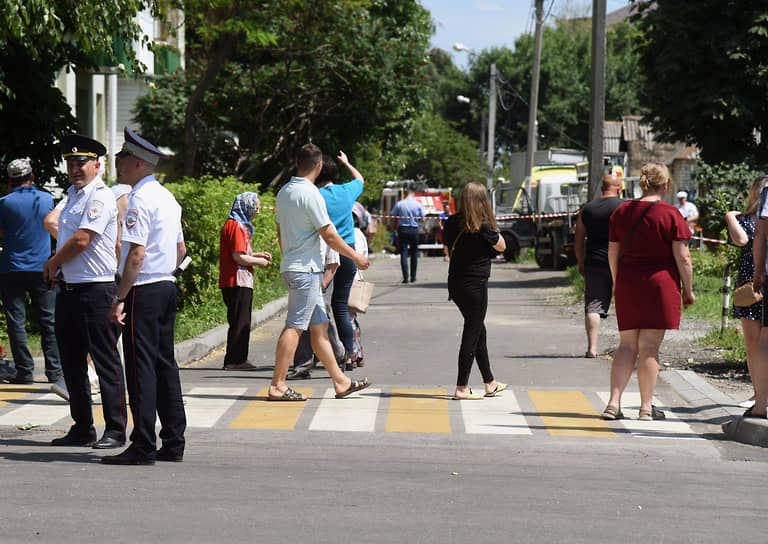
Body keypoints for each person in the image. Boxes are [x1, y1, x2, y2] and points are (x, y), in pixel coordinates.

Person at [104, 127, 186, 465]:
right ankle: (173, 441)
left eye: (123, 158)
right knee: (165, 364)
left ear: (138, 163)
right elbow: (180, 249)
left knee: (141, 369)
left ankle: (142, 445)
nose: (118, 163)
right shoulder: (167, 198)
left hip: (144, 288)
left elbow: (136, 254)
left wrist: (119, 297)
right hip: (166, 284)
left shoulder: (139, 198)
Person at [43, 135, 127, 448]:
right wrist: (58, 268)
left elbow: (82, 240)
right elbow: (54, 224)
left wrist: (53, 261)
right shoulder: (73, 196)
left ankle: (116, 429)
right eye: (70, 162)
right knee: (72, 362)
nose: (75, 168)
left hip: (97, 290)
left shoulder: (100, 197)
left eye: (81, 162)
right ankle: (82, 426)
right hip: (69, 290)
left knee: (105, 361)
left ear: (97, 165)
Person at [270, 143, 371, 401]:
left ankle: (341, 381)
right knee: (294, 327)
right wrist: (356, 256)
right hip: (306, 270)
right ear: (318, 166)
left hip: (294, 266)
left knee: (320, 328)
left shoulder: (284, 192)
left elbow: (281, 233)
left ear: (296, 162)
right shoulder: (311, 194)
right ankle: (277, 385)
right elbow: (329, 234)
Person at [603, 163, 694, 421]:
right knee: (650, 347)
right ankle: (645, 408)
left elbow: (612, 252)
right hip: (660, 284)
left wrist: (615, 282)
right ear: (666, 186)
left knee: (626, 346)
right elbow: (683, 257)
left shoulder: (622, 211)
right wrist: (688, 289)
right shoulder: (671, 213)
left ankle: (613, 403)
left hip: (628, 281)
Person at [0, 158, 65, 396]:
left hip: (11, 268)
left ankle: (25, 372)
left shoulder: (4, 203)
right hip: (42, 267)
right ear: (32, 177)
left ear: (10, 180)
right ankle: (55, 373)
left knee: (16, 321)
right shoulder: (46, 199)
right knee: (49, 321)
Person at [442, 182, 507, 400]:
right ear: (482, 201)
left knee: (478, 329)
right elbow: (503, 246)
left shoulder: (451, 222)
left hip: (456, 283)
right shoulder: (484, 226)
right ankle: (462, 387)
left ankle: (490, 382)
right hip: (476, 284)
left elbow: (448, 244)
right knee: (472, 331)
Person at [316, 152, 363, 370]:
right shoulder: (346, 191)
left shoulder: (314, 196)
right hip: (347, 252)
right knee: (341, 307)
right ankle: (350, 354)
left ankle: (323, 352)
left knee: (317, 305)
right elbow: (360, 180)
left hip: (323, 252)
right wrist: (347, 163)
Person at [725, 176, 768, 409]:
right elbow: (741, 240)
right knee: (752, 342)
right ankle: (758, 393)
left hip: (763, 279)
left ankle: (762, 396)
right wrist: (730, 216)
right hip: (749, 284)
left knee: (763, 340)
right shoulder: (747, 220)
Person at [219, 192, 272, 370]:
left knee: (240, 320)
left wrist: (256, 255)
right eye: (255, 207)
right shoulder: (236, 226)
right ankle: (236, 360)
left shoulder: (237, 225)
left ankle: (237, 358)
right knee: (240, 321)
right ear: (246, 207)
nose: (257, 211)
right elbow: (238, 257)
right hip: (237, 280)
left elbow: (241, 253)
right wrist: (259, 261)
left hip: (237, 280)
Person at [574, 174, 624, 358]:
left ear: (602, 187)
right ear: (618, 187)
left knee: (593, 305)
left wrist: (580, 261)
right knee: (624, 304)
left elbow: (578, 239)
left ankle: (592, 348)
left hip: (594, 261)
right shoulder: (624, 207)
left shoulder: (587, 209)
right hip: (620, 263)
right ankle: (626, 348)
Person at [287, 240, 345, 380]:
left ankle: (339, 354)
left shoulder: (325, 227)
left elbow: (333, 263)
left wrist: (322, 286)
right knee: (303, 322)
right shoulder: (302, 229)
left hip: (322, 281)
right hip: (305, 279)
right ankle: (302, 366)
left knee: (322, 321)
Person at [349, 202, 369, 368]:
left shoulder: (353, 234)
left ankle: (352, 355)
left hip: (350, 280)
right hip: (354, 279)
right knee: (351, 319)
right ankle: (358, 353)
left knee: (347, 319)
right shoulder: (359, 234)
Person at [390, 186, 424, 283]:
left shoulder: (400, 204)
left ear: (406, 193)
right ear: (413, 193)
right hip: (414, 230)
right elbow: (423, 218)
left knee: (404, 253)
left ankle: (405, 277)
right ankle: (413, 277)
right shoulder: (417, 204)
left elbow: (393, 215)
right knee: (414, 253)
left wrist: (393, 228)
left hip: (403, 229)